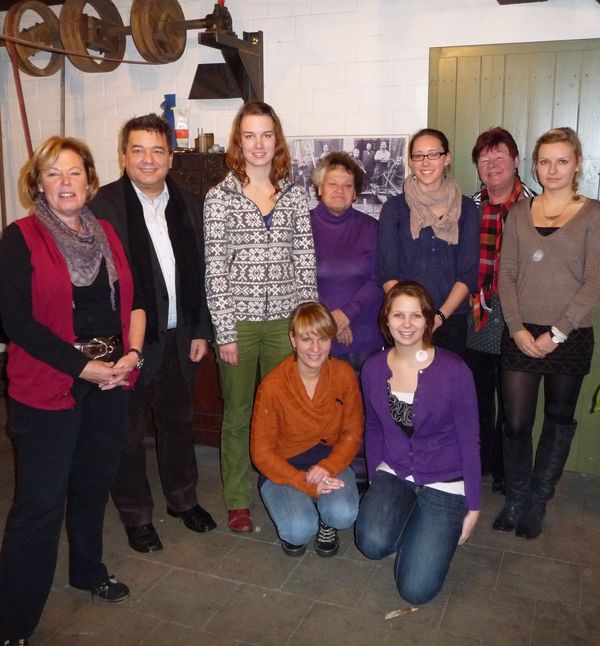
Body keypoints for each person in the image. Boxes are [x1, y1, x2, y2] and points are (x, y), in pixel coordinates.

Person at [0, 136, 145, 644]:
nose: (65, 182)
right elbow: (15, 321)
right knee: (39, 503)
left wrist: (130, 356)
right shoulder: (20, 238)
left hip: (110, 381)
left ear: (90, 179)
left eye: (74, 172)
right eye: (54, 173)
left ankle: (88, 569)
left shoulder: (104, 231)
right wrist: (82, 366)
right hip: (50, 385)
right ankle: (14, 619)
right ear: (38, 182)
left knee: (92, 484)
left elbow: (132, 298)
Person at [89, 113, 216, 554]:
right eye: (138, 150)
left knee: (178, 424)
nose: (148, 159)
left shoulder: (188, 203)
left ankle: (183, 500)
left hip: (181, 339)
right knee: (127, 433)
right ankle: (136, 515)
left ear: (170, 157)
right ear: (123, 155)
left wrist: (202, 329)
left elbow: (201, 273)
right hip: (127, 345)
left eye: (157, 150)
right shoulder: (101, 207)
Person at [204, 101, 318, 533]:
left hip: (285, 324)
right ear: (239, 141)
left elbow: (304, 260)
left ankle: (282, 485)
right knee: (238, 414)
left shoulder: (294, 193)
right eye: (249, 135)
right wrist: (225, 332)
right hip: (240, 325)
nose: (258, 144)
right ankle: (237, 499)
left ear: (277, 140)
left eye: (266, 135)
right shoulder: (220, 197)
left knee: (283, 412)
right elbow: (215, 267)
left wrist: (306, 326)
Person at [495, 127, 600, 540]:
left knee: (558, 419)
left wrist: (556, 333)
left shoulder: (593, 214)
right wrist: (518, 329)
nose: (552, 169)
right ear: (534, 165)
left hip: (570, 334)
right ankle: (516, 498)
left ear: (577, 164)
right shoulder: (519, 212)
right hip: (520, 332)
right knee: (516, 424)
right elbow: (507, 275)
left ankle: (538, 499)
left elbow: (594, 282)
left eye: (561, 161)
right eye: (544, 161)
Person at [355, 281, 480, 605]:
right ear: (386, 320)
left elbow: (469, 439)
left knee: (416, 590)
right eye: (398, 315)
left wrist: (474, 506)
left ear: (428, 320)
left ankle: (430, 527)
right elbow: (374, 428)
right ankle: (413, 519)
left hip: (446, 479)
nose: (407, 324)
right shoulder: (372, 369)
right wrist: (374, 485)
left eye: (415, 315)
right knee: (371, 542)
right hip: (395, 471)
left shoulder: (454, 370)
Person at [250, 302, 363, 556]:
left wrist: (330, 466)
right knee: (298, 530)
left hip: (328, 461)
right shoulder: (273, 385)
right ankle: (301, 510)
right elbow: (261, 453)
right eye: (306, 339)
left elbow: (353, 433)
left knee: (343, 515)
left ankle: (325, 518)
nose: (315, 348)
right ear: (293, 339)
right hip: (284, 466)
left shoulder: (343, 375)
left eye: (323, 339)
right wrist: (303, 482)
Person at [467, 128, 536, 494]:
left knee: (514, 401)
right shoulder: (469, 207)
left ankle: (508, 470)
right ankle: (480, 464)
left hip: (519, 317)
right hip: (477, 313)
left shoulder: (535, 206)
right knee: (478, 395)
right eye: (484, 158)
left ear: (516, 161)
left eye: (499, 157)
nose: (492, 165)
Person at [377, 128, 479, 357]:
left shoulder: (467, 208)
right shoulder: (394, 208)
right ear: (410, 162)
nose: (425, 162)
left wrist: (438, 318)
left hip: (451, 320)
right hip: (404, 325)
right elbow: (386, 271)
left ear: (447, 158)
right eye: (418, 156)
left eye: (433, 154)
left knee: (445, 390)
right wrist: (410, 318)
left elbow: (468, 273)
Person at [310, 152, 383, 373]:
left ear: (355, 193)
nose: (339, 190)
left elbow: (378, 278)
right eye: (332, 183)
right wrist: (331, 319)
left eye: (347, 185)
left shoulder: (372, 228)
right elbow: (296, 279)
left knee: (360, 405)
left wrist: (346, 314)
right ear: (320, 188)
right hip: (316, 336)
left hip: (362, 337)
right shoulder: (302, 227)